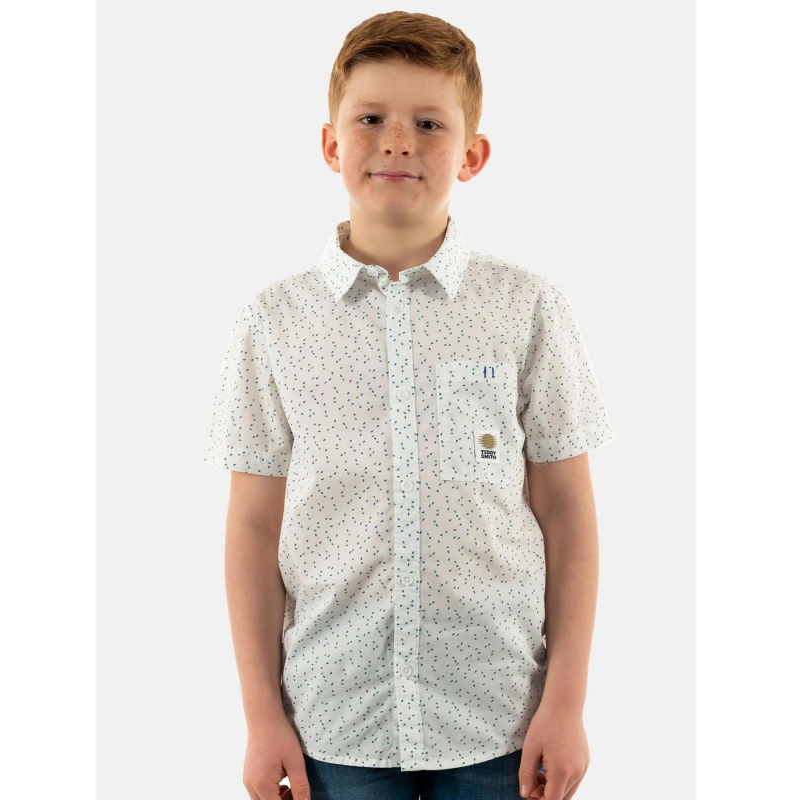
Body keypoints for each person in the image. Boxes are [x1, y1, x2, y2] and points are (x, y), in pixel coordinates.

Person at [204, 10, 616, 800]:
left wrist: (566, 703)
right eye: (370, 119)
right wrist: (261, 717)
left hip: (501, 717)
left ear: (473, 154)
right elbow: (252, 528)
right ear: (331, 145)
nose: (398, 142)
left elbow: (568, 509)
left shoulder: (526, 308)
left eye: (429, 123)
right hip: (334, 721)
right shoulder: (273, 321)